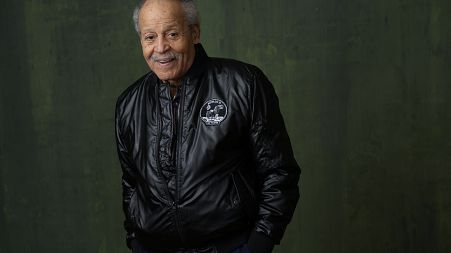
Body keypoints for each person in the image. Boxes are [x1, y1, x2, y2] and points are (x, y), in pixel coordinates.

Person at [115, 0, 301, 252]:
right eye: (150, 37)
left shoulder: (243, 84)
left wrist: (258, 244)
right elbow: (131, 184)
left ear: (194, 33)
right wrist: (136, 241)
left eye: (172, 34)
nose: (160, 47)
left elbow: (278, 173)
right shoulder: (129, 104)